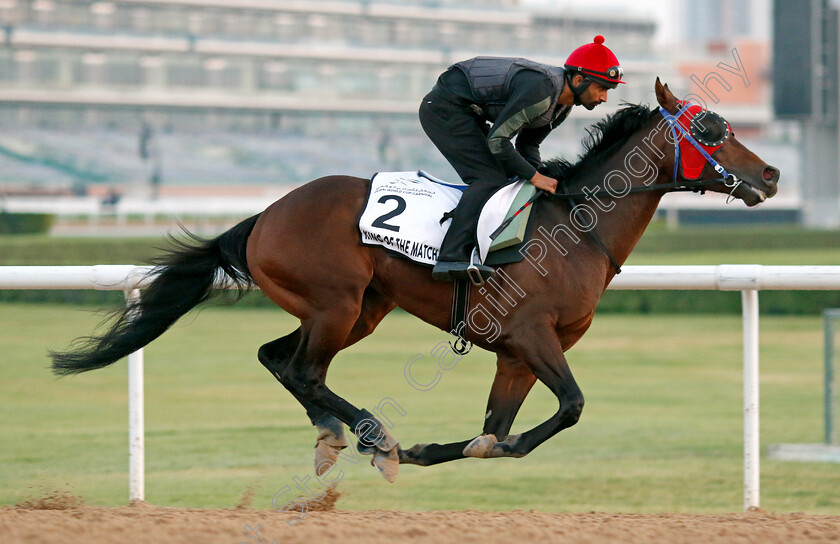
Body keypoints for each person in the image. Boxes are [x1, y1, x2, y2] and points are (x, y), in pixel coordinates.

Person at [419, 35, 625, 282]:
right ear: (579, 80)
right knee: (488, 179)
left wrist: (543, 179)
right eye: (601, 88)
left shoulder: (563, 105)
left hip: (468, 112)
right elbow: (498, 141)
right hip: (444, 107)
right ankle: (451, 257)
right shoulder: (542, 90)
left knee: (511, 177)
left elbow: (528, 145)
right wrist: (536, 177)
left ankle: (486, 246)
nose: (604, 97)